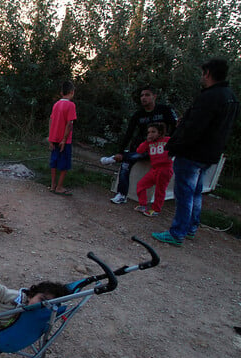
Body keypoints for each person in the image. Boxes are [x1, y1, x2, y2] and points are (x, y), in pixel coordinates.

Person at [152, 58, 240, 246]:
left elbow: (194, 127)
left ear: (207, 73)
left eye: (203, 73)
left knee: (184, 192)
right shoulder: (231, 97)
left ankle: (177, 233)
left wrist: (175, 145)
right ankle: (191, 227)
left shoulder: (209, 97)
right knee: (196, 192)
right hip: (210, 153)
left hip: (192, 153)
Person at [101, 85, 178, 204]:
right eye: (142, 95)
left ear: (154, 96)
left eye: (147, 95)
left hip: (158, 150)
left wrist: (169, 145)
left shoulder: (164, 110)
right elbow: (129, 133)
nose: (144, 98)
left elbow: (175, 126)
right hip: (141, 147)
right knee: (126, 163)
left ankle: (114, 159)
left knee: (130, 157)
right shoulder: (138, 115)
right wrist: (120, 151)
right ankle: (121, 194)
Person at [133, 122, 173, 217]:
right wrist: (147, 141)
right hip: (154, 169)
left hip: (165, 169)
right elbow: (139, 150)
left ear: (160, 132)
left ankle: (156, 209)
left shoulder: (168, 140)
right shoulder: (149, 143)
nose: (150, 134)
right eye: (149, 132)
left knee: (160, 190)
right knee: (141, 184)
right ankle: (142, 205)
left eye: (153, 132)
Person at [47, 81, 76, 196]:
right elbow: (69, 123)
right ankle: (59, 187)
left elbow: (51, 120)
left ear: (61, 92)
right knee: (64, 164)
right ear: (71, 92)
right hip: (64, 140)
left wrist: (50, 137)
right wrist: (64, 139)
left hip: (54, 138)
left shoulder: (56, 105)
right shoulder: (71, 105)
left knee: (54, 162)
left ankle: (53, 184)